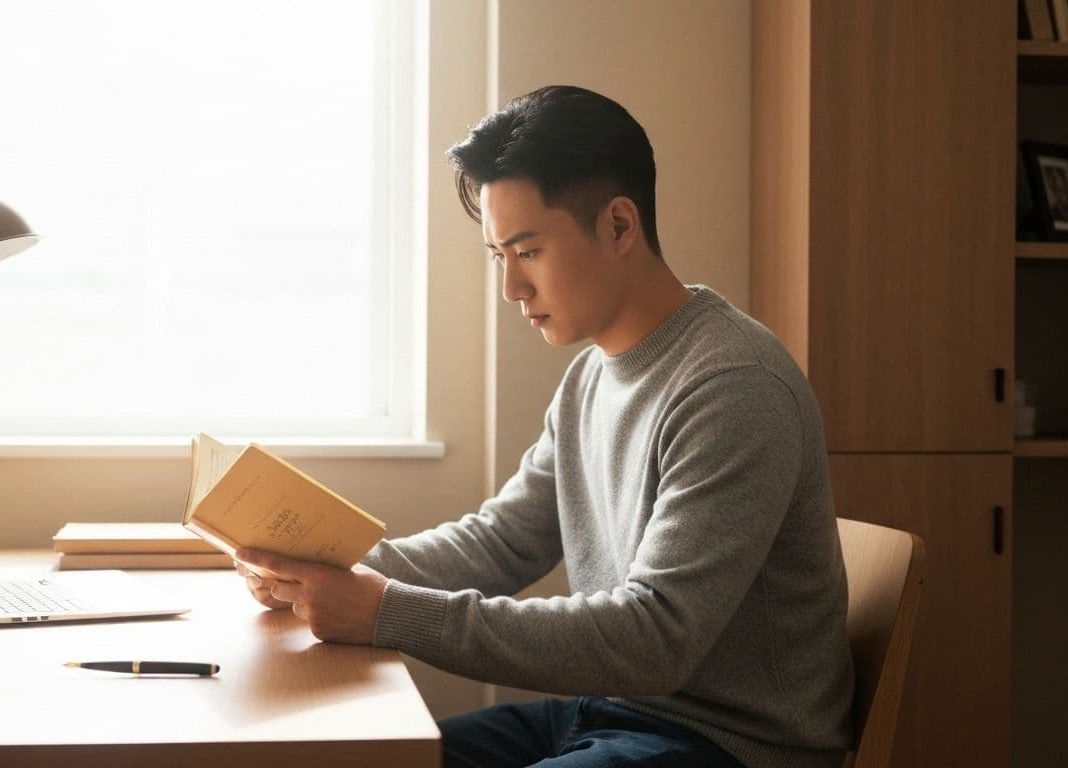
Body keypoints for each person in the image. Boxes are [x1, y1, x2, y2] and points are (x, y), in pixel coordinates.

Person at [234, 84, 853, 768]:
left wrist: (384, 611)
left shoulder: (734, 386)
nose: (511, 289)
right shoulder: (593, 376)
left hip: (726, 745)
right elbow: (502, 542)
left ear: (620, 227)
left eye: (527, 252)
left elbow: (656, 638)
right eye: (499, 256)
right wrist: (327, 571)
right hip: (611, 712)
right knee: (352, 759)